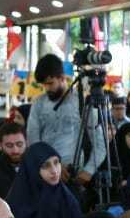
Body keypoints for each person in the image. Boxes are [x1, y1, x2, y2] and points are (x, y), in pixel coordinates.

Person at [26, 55, 107, 189]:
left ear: (62, 78)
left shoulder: (82, 103)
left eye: (50, 83)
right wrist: (50, 165)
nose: (47, 88)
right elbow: (33, 142)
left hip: (72, 175)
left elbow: (100, 143)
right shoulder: (38, 104)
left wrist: (88, 171)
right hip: (44, 175)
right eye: (44, 84)